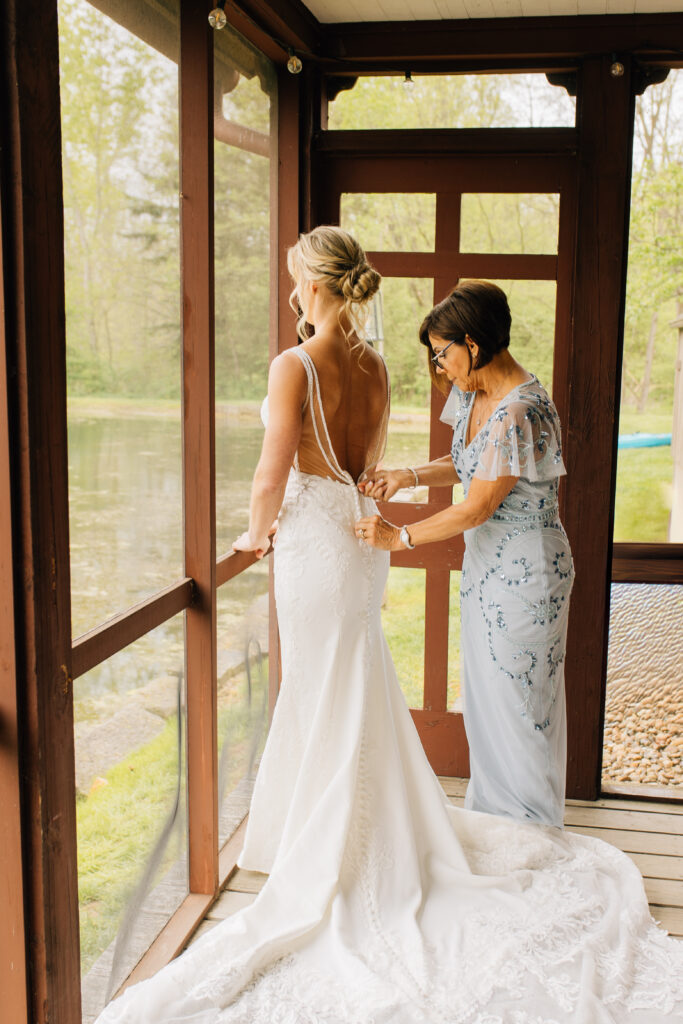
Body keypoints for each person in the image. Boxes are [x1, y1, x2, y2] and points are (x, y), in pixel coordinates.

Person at [96, 230, 682, 1024]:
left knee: (316, 688)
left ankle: (322, 849)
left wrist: (251, 534)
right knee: (354, 685)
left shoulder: (293, 364)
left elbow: (275, 470)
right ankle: (339, 838)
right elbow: (371, 461)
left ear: (318, 283)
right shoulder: (371, 367)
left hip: (319, 546)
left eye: (297, 280)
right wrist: (392, 494)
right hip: (357, 538)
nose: (292, 293)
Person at [358, 280, 572, 829]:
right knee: (488, 704)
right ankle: (499, 822)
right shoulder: (476, 393)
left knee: (520, 707)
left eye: (442, 352)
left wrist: (399, 537)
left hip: (527, 575)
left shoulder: (522, 409)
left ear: (472, 344)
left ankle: (530, 833)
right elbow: (468, 462)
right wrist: (406, 475)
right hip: (487, 569)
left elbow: (476, 506)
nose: (440, 365)